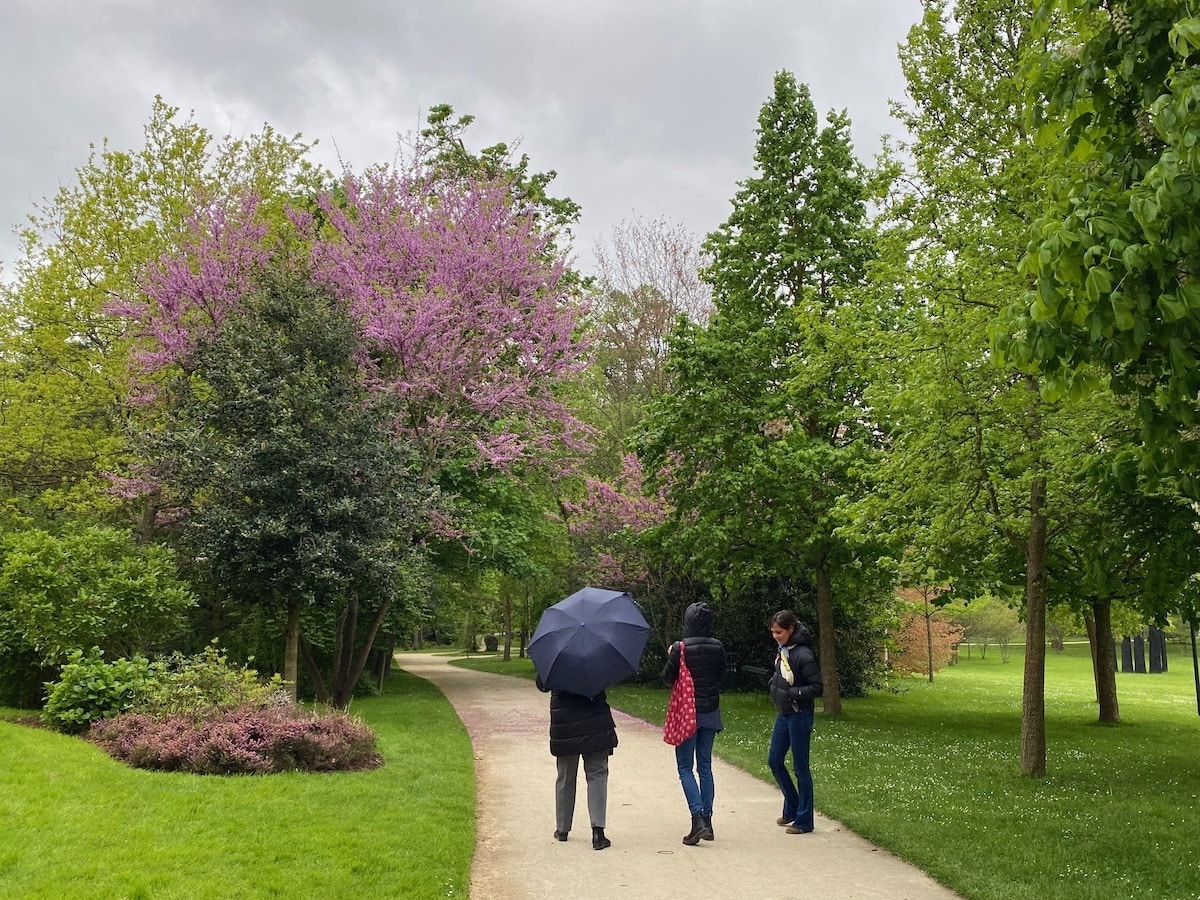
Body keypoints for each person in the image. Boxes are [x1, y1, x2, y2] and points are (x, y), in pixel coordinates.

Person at [662, 601, 727, 845]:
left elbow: (668, 679)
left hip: (687, 713)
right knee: (705, 766)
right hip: (710, 711)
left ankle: (697, 818)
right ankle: (708, 821)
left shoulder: (681, 648)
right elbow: (721, 677)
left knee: (685, 767)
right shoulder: (717, 647)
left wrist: (672, 656)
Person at [536, 674, 618, 850]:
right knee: (597, 774)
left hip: (565, 723)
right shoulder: (598, 652)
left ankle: (562, 829)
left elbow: (542, 684)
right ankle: (598, 832)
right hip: (594, 719)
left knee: (565, 776)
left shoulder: (556, 655)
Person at [766, 609, 823, 835]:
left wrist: (793, 693)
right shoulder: (784, 651)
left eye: (779, 632)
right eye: (773, 632)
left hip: (799, 715)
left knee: (801, 768)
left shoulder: (803, 655)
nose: (776, 636)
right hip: (784, 714)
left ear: (791, 630)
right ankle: (792, 806)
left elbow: (818, 687)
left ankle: (804, 821)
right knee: (774, 761)